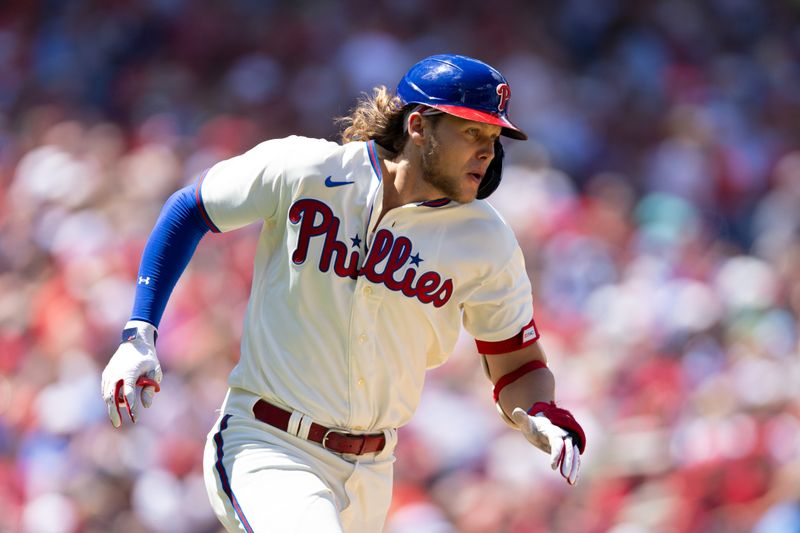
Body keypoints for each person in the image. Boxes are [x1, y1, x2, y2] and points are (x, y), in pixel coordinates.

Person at [101, 54, 587, 532]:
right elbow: (190, 208)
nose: (488, 151)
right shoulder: (307, 169)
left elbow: (518, 362)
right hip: (270, 443)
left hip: (373, 472)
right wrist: (139, 331)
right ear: (418, 126)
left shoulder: (486, 239)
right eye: (472, 132)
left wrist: (541, 411)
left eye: (494, 137)